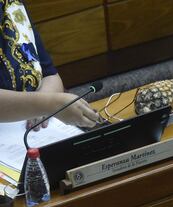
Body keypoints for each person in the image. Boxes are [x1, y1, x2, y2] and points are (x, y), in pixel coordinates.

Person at [0, 0, 99, 128]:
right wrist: (48, 104)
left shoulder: (12, 3)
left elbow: (50, 75)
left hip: (35, 129)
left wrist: (43, 105)